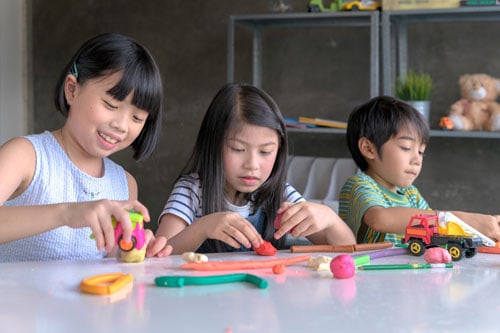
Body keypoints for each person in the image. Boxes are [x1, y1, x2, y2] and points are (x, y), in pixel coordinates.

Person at [0, 33, 171, 261]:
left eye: (137, 118)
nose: (121, 125)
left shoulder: (125, 184)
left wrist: (132, 249)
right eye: (111, 105)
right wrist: (67, 213)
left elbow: (109, 263)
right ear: (72, 90)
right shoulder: (25, 156)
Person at [148, 83, 355, 255]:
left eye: (265, 152)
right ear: (213, 145)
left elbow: (347, 250)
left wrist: (330, 219)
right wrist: (203, 228)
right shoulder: (192, 191)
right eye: (238, 149)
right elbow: (161, 253)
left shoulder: (280, 194)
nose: (252, 165)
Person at [339, 95, 500, 244]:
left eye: (421, 151)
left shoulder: (410, 194)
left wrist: (483, 228)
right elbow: (380, 219)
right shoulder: (360, 185)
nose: (417, 159)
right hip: (369, 274)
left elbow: (434, 230)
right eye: (406, 147)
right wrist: (457, 219)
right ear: (369, 149)